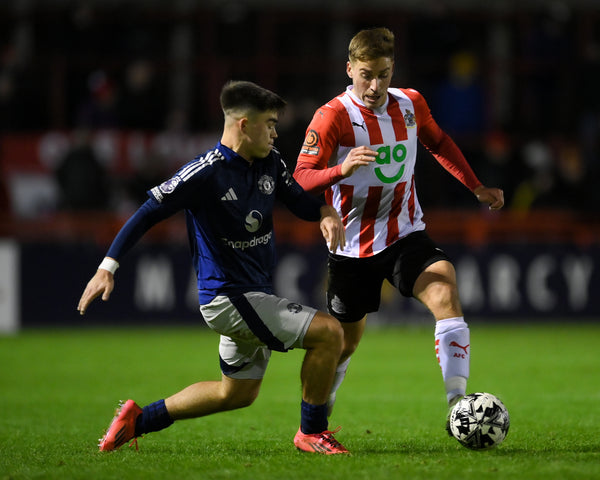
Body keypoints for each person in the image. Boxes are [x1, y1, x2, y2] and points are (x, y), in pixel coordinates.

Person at [77, 80, 350, 455]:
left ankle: (136, 420)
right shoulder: (205, 172)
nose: (275, 131)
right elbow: (147, 213)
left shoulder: (270, 161)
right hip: (228, 298)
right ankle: (312, 433)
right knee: (330, 333)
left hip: (253, 293)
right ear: (243, 125)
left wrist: (323, 211)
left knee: (235, 393)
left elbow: (298, 200)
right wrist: (108, 266)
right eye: (269, 123)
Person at [292, 27, 504, 431]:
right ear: (349, 68)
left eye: (384, 74)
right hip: (352, 246)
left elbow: (438, 142)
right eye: (366, 74)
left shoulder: (410, 103)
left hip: (405, 232)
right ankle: (320, 410)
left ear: (394, 70)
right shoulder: (333, 115)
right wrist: (341, 168)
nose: (374, 85)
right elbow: (299, 177)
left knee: (444, 289)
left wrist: (474, 185)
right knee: (343, 343)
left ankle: (459, 407)